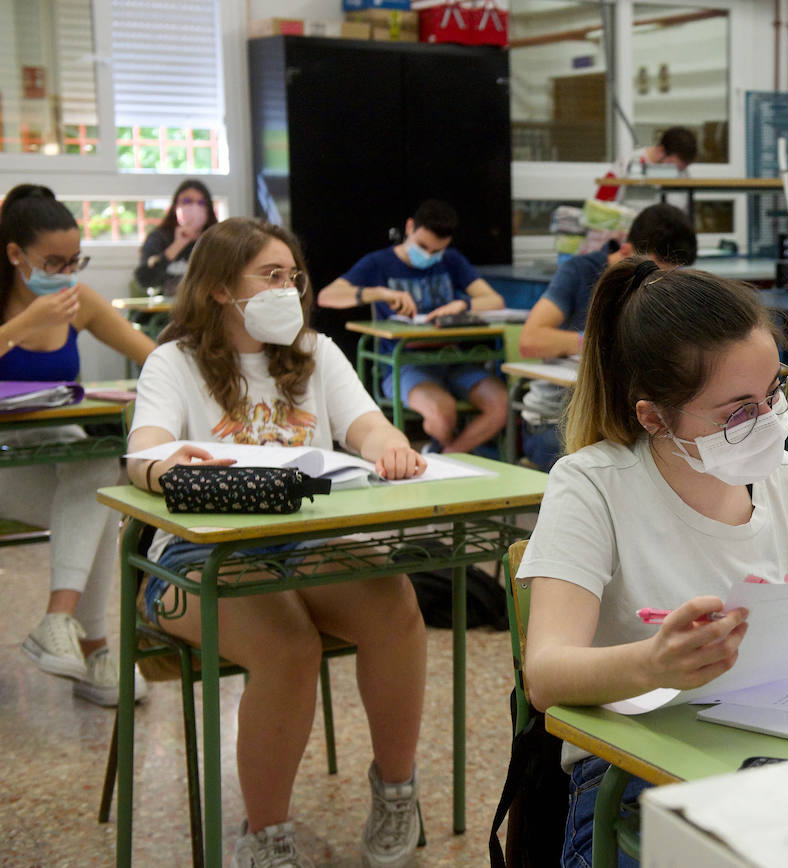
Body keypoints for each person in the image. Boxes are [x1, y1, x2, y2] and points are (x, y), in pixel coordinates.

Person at [517, 258, 788, 867]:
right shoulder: (593, 485)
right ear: (653, 417)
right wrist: (655, 663)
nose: (768, 421)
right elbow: (545, 676)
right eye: (736, 411)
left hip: (779, 750)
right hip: (633, 778)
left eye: (775, 391)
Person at [125, 217, 429, 868]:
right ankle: (265, 834)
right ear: (216, 289)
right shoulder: (172, 362)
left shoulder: (317, 353)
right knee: (289, 649)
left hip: (301, 542)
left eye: (293, 277)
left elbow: (370, 428)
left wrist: (393, 449)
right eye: (269, 276)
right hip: (191, 556)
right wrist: (169, 468)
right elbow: (141, 456)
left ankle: (397, 789)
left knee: (393, 602)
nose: (287, 290)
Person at [0, 183, 157, 706]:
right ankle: (96, 649)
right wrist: (24, 325)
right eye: (54, 262)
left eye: (75, 261)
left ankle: (58, 621)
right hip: (6, 464)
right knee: (97, 498)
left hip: (57, 451)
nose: (66, 275)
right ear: (15, 255)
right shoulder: (22, 304)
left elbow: (152, 356)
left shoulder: (78, 301)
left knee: (97, 475)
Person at [317, 199, 508, 454]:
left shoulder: (451, 261)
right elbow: (327, 296)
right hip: (404, 364)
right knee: (443, 411)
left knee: (501, 402)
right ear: (409, 227)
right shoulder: (378, 263)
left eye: (436, 251)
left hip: (454, 360)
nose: (428, 256)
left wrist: (462, 305)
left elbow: (494, 300)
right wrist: (379, 293)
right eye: (422, 247)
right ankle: (446, 455)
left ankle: (448, 455)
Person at [516, 203, 697, 470]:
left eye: (671, 275)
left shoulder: (666, 289)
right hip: (556, 420)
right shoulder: (578, 273)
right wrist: (598, 341)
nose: (661, 285)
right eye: (655, 273)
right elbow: (530, 340)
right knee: (630, 468)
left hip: (628, 419)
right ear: (626, 250)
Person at [134, 179, 218, 296]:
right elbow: (145, 280)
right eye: (187, 201)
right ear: (175, 206)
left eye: (201, 203)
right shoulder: (158, 237)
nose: (194, 207)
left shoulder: (217, 239)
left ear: (208, 209)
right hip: (165, 310)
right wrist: (178, 244)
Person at [614, 126, 698, 212]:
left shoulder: (682, 172)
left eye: (681, 168)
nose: (676, 172)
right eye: (674, 167)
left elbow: (683, 207)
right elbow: (603, 200)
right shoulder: (627, 163)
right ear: (661, 151)